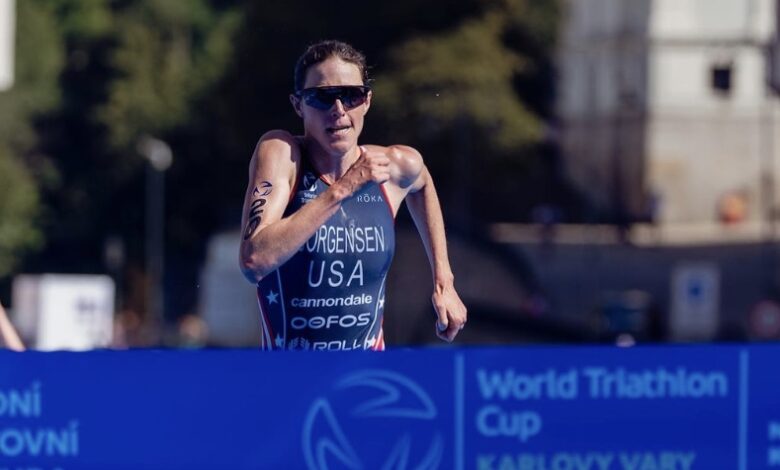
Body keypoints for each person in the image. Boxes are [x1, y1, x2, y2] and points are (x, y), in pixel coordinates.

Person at [239, 40, 466, 351]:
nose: (339, 110)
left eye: (351, 95)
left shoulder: (390, 167)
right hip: (289, 382)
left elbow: (423, 182)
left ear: (367, 101)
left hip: (364, 379)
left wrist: (444, 281)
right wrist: (343, 189)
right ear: (298, 105)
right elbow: (254, 260)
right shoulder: (284, 156)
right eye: (322, 98)